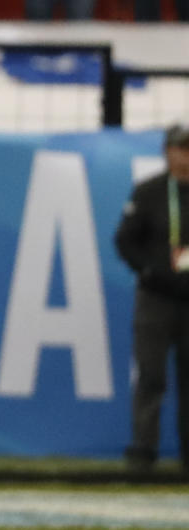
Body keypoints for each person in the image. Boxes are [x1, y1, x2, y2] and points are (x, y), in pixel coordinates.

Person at [115, 124, 189, 474]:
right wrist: (149, 271)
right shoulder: (150, 193)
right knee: (151, 375)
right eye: (180, 149)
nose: (185, 156)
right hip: (157, 297)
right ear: (167, 151)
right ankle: (144, 450)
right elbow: (125, 241)